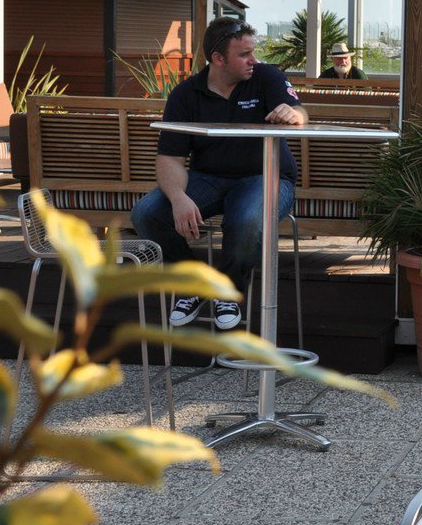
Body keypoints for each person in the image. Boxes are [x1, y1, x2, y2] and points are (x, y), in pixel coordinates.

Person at [131, 17, 308, 330]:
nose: (253, 60)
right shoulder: (186, 95)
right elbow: (170, 158)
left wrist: (294, 113)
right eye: (244, 55)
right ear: (217, 58)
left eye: (254, 52)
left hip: (266, 176)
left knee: (246, 220)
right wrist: (178, 198)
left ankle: (226, 290)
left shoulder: (266, 76)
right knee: (147, 213)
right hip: (207, 179)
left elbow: (300, 112)